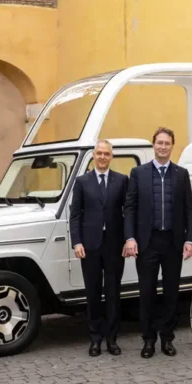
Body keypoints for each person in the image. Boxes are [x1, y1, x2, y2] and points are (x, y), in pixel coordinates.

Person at [123, 127, 192, 358]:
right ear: (153, 146)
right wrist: (130, 237)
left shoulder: (181, 174)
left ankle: (167, 338)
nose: (163, 147)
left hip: (172, 242)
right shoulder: (138, 173)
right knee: (147, 293)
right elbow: (130, 208)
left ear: (172, 146)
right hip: (147, 242)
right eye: (159, 143)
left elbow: (189, 210)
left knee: (172, 293)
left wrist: (190, 239)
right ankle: (148, 340)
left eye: (167, 143)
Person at [69, 139, 129, 357]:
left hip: (114, 246)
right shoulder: (82, 182)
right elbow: (75, 215)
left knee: (113, 294)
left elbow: (128, 212)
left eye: (106, 153)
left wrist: (128, 239)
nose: (103, 156)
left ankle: (112, 339)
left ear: (111, 156)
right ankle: (95, 339)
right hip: (90, 246)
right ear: (93, 156)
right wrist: (77, 242)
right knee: (93, 294)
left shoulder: (122, 180)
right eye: (99, 153)